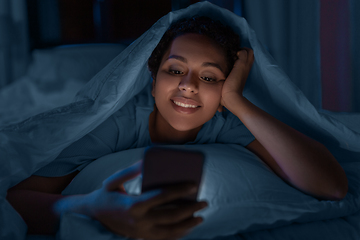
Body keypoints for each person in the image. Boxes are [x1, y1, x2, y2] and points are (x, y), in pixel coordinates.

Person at [6, 16, 348, 240]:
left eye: (209, 77)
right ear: (152, 82)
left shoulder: (225, 124)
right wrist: (89, 207)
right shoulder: (112, 126)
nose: (188, 85)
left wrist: (237, 102)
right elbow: (15, 199)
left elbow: (331, 187)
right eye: (174, 70)